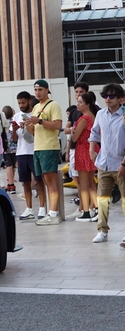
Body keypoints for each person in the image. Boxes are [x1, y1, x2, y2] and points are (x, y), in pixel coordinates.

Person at [89, 83, 125, 246]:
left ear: (121, 99)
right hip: (104, 163)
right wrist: (92, 149)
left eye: (111, 96)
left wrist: (124, 163)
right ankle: (102, 230)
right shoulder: (101, 114)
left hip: (121, 163)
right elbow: (94, 132)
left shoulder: (124, 115)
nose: (108, 99)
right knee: (102, 199)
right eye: (105, 96)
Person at [25, 79, 63, 226]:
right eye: (35, 90)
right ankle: (50, 212)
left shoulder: (53, 105)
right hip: (38, 147)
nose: (38, 92)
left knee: (51, 180)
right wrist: (27, 124)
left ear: (47, 90)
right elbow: (34, 131)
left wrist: (40, 121)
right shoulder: (35, 107)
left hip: (49, 146)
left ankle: (54, 213)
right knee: (45, 180)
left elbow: (58, 125)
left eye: (40, 89)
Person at [11, 91, 46, 220]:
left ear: (29, 101)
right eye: (19, 103)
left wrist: (29, 125)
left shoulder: (36, 114)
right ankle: (29, 208)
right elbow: (14, 139)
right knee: (25, 182)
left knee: (39, 180)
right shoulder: (16, 116)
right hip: (21, 152)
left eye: (23, 103)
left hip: (35, 151)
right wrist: (15, 129)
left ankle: (42, 208)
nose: (21, 105)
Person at [69, 93, 99, 222]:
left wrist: (71, 132)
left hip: (83, 149)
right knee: (91, 182)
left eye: (80, 102)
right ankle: (97, 208)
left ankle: (86, 211)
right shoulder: (93, 117)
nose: (78, 104)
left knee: (84, 184)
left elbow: (75, 138)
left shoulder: (83, 119)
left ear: (87, 104)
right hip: (92, 148)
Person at [64, 82, 91, 219]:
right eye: (76, 92)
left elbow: (74, 135)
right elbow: (66, 129)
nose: (78, 95)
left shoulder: (90, 113)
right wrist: (68, 151)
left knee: (87, 181)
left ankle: (88, 208)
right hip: (77, 149)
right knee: (79, 180)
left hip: (87, 148)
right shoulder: (75, 111)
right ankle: (84, 207)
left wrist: (74, 131)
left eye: (81, 92)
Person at [2, 105, 17, 193]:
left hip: (6, 146)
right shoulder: (13, 122)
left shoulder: (3, 122)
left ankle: (11, 184)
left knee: (8, 165)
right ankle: (11, 181)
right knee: (14, 165)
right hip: (15, 146)